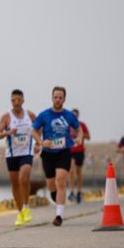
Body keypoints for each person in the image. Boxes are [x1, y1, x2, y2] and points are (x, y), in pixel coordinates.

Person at [31, 86, 83, 227]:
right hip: (48, 153)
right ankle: (58, 198)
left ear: (64, 99)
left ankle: (59, 216)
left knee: (60, 181)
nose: (58, 99)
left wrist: (79, 138)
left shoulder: (69, 115)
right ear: (52, 98)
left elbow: (79, 130)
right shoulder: (44, 115)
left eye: (60, 97)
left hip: (64, 152)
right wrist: (41, 142)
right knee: (52, 186)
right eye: (56, 97)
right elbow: (33, 131)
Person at [0, 89, 36, 226]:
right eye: (13, 100)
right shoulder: (6, 117)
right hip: (12, 154)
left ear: (23, 101)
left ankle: (26, 207)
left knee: (23, 177)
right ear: (11, 101)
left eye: (18, 100)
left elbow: (39, 129)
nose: (16, 103)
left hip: (26, 152)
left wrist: (38, 143)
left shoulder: (30, 115)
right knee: (15, 183)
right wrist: (9, 132)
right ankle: (20, 212)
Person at [67, 108, 90, 204]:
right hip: (70, 150)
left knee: (78, 172)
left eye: (76, 115)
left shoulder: (82, 125)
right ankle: (71, 191)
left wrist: (79, 134)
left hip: (80, 151)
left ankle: (79, 191)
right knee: (71, 170)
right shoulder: (67, 125)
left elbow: (88, 137)